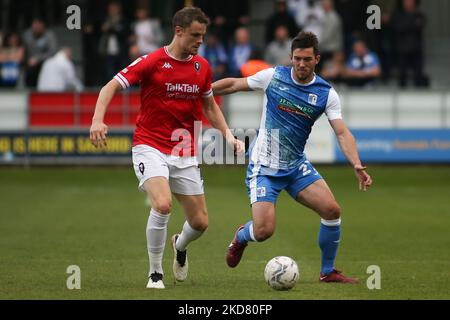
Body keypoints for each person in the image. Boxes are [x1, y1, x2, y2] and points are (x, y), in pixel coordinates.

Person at [89, 6, 244, 289]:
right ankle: (155, 273)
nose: (200, 41)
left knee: (200, 223)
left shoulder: (202, 67)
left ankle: (180, 245)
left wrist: (229, 136)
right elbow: (109, 86)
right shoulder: (152, 61)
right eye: (195, 35)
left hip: (184, 151)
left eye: (203, 36)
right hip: (149, 145)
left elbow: (209, 105)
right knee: (162, 204)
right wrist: (98, 120)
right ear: (178, 31)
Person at [212, 31, 372, 283]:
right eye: (297, 58)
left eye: (307, 59)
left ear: (317, 59)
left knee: (331, 210)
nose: (301, 64)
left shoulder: (325, 93)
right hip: (264, 167)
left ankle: (327, 272)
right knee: (264, 231)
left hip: (296, 166)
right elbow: (234, 84)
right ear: (291, 57)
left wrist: (356, 163)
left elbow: (342, 132)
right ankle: (242, 236)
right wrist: (204, 92)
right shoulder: (274, 77)